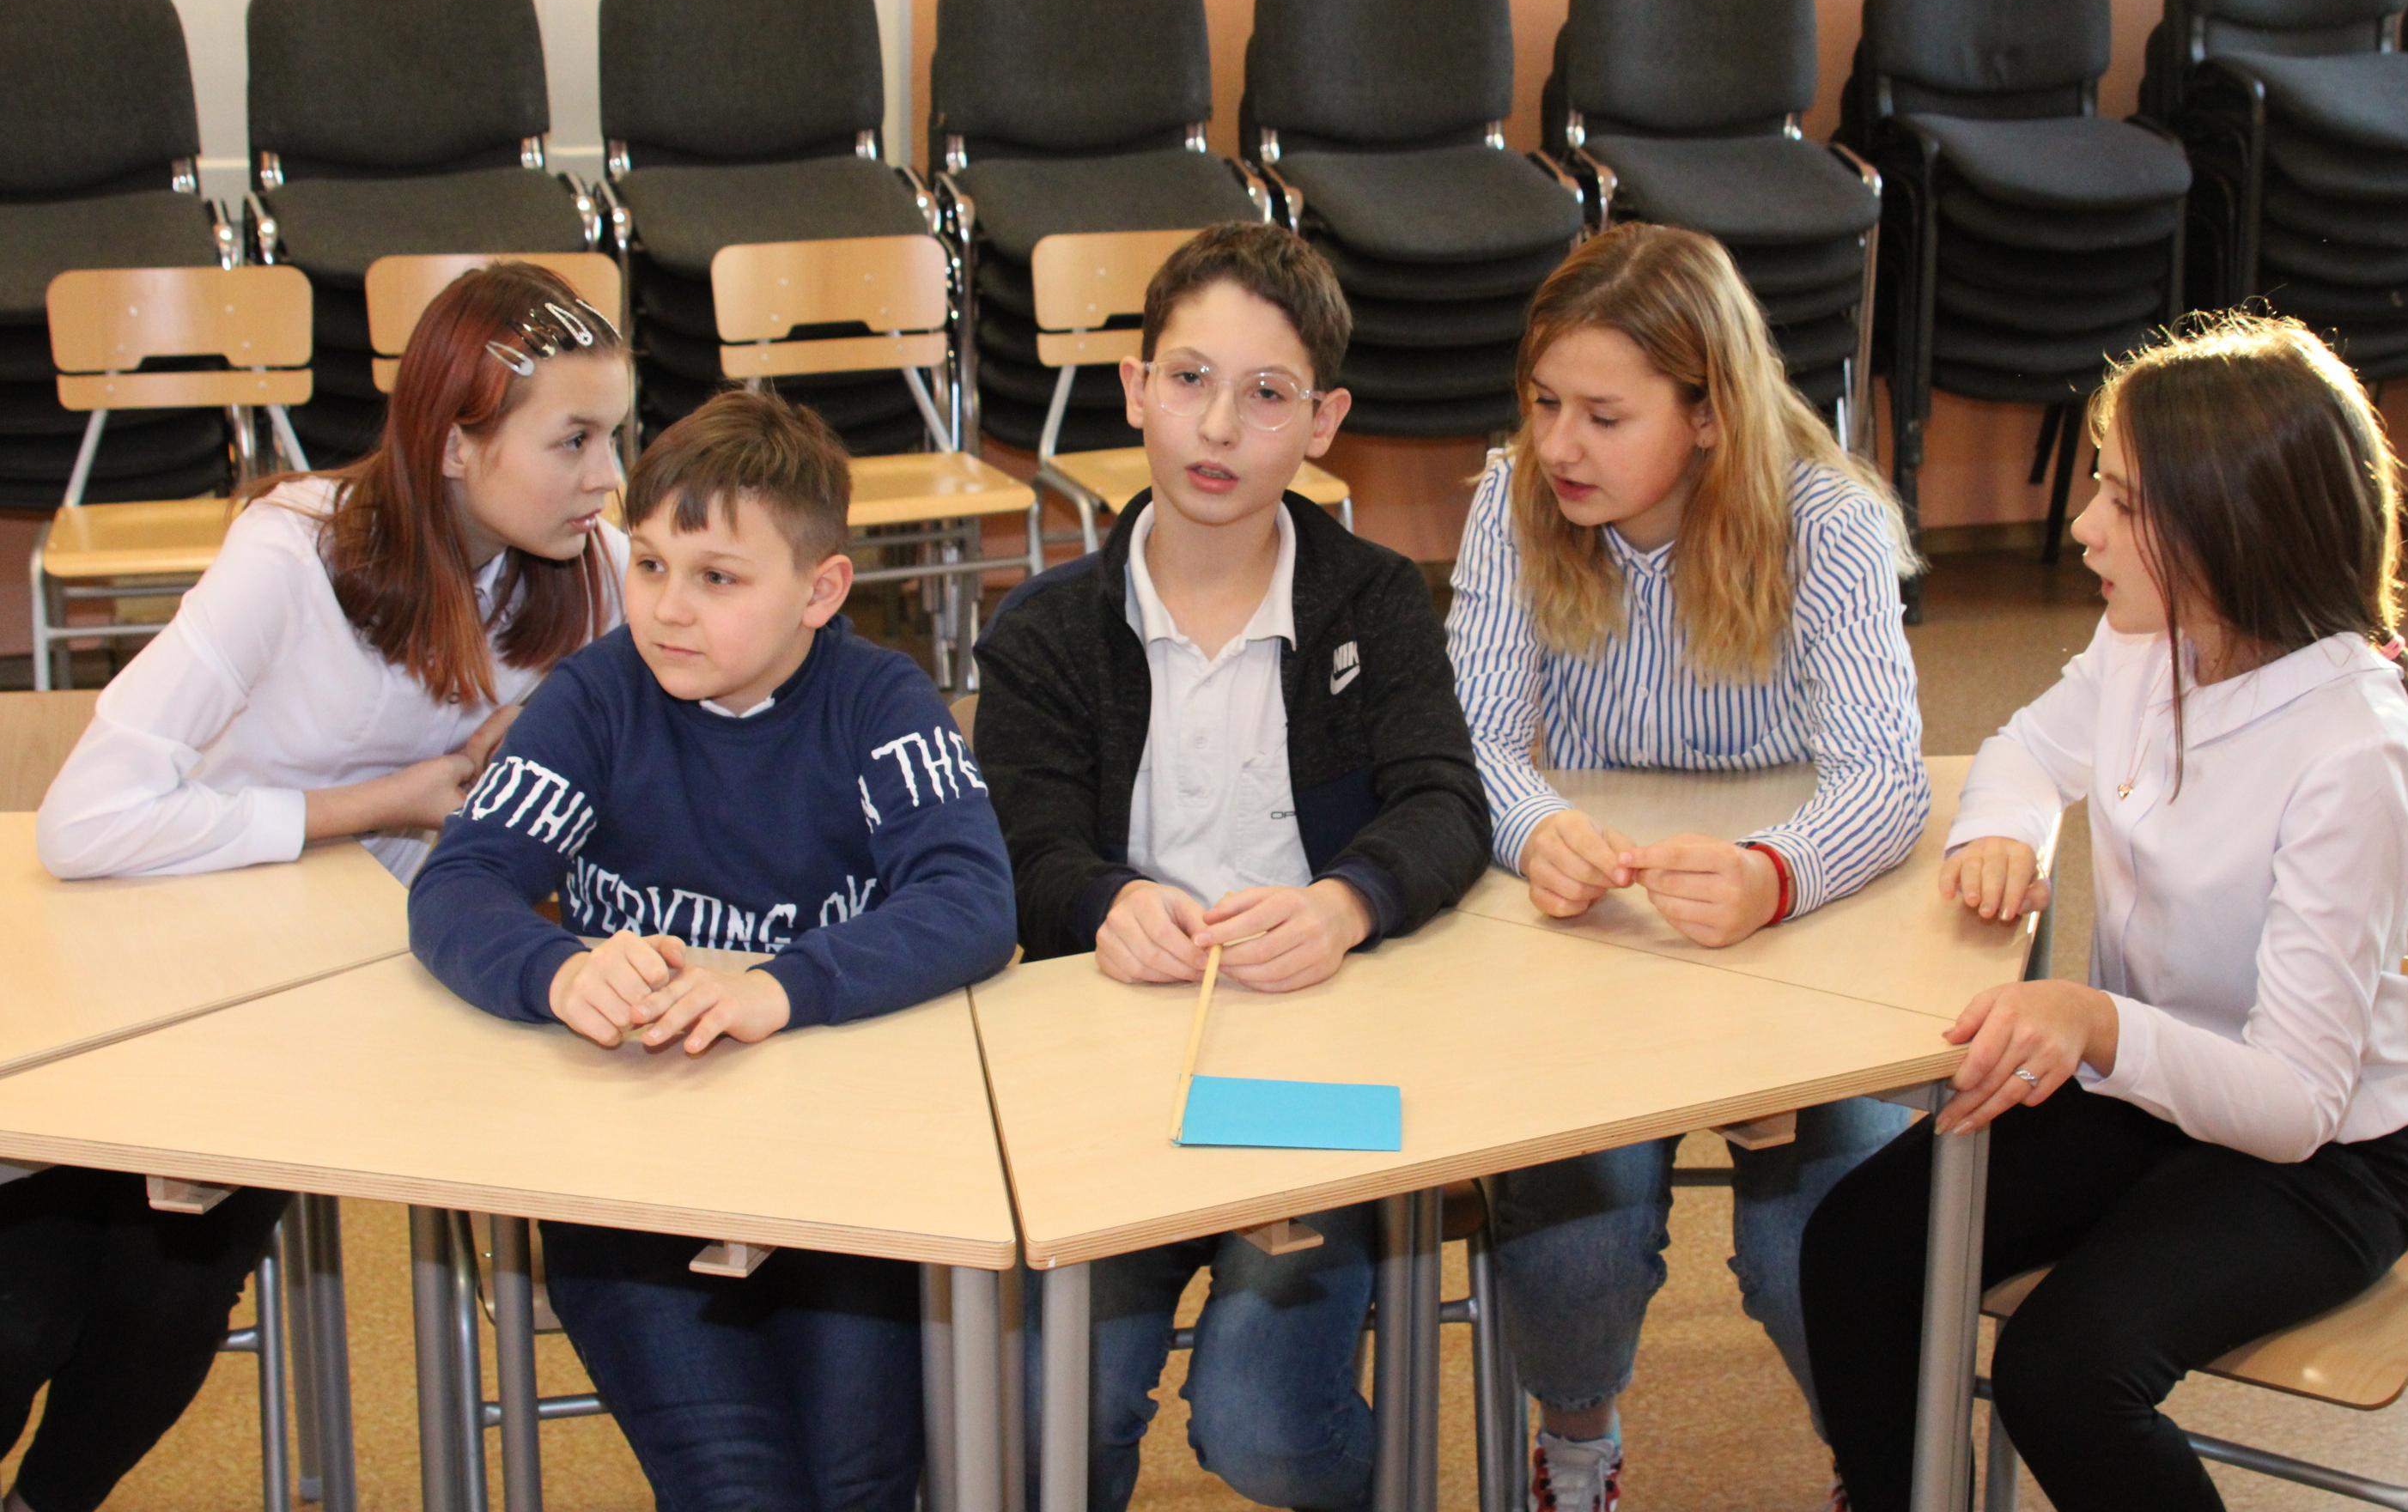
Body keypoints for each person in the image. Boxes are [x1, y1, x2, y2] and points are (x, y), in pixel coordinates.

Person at [9, 262, 628, 1512]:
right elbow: (85, 822)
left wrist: (555, 747)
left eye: (615, 435)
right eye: (573, 441)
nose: (608, 477)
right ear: (455, 444)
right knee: (35, 1303)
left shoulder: (593, 565)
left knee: (169, 1304)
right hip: (170, 969)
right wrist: (389, 801)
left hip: (332, 1007)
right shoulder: (292, 550)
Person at [1800, 314, 2408, 1512]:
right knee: (1857, 1246)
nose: (2085, 525)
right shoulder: (2157, 632)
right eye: (2099, 483)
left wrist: (2097, 1024)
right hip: (2147, 1095)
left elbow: (2296, 1103)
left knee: (2065, 1372)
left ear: (2234, 526)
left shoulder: (2353, 744)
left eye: (2125, 500)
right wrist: (2004, 831)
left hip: (2323, 1161)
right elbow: (2026, 749)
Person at [410, 386, 1014, 1512]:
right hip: (631, 1189)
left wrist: (784, 988)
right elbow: (458, 885)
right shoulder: (596, 700)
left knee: (859, 1485)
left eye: (718, 578)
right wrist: (560, 970)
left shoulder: (879, 703)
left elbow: (974, 899)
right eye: (648, 565)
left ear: (821, 592)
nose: (668, 610)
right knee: (738, 1487)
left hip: (852, 1179)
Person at [973, 221, 1491, 1512]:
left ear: (1323, 422)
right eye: (1190, 380)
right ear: (1134, 388)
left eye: (1266, 395)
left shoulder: (1374, 599)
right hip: (1111, 1076)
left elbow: (1445, 805)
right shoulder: (1043, 630)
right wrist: (1104, 903)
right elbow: (1020, 851)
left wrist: (1348, 901)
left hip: (1320, 1071)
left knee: (1264, 1428)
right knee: (1051, 1414)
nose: (1218, 428)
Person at [1442, 223, 1927, 1511]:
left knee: (1820, 1244)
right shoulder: (1512, 499)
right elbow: (1467, 745)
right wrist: (1536, 828)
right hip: (1607, 945)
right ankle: (1578, 1450)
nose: (1560, 446)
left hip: (1795, 948)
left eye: (1605, 416)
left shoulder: (1827, 523)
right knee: (1575, 1242)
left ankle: (1882, 1465)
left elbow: (1887, 778)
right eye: (1545, 402)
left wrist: (1773, 873)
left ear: (1708, 415)